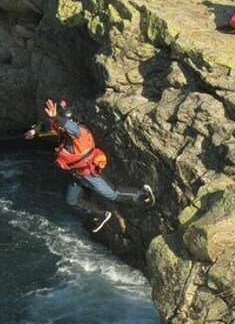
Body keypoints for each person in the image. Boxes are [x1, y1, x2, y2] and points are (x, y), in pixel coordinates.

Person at [24, 99, 155, 233]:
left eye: (61, 122)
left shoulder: (78, 131)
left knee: (112, 194)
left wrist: (55, 117)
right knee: (71, 200)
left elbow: (63, 122)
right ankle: (101, 213)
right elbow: (48, 124)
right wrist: (35, 131)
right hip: (76, 174)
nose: (59, 125)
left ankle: (142, 194)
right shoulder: (63, 129)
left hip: (89, 173)